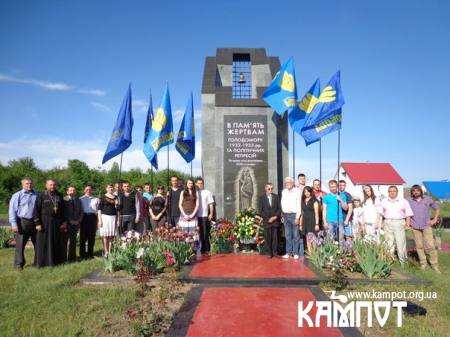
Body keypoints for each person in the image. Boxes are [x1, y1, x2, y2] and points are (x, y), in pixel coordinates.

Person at [33, 179, 67, 267]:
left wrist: (64, 222)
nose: (52, 187)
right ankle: (43, 263)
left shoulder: (59, 195)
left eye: (54, 185)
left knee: (56, 242)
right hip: (44, 223)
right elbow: (36, 210)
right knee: (44, 243)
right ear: (46, 185)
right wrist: (37, 223)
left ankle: (56, 261)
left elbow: (63, 210)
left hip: (57, 223)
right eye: (50, 185)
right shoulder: (41, 195)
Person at [407, 185, 440, 273]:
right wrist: (407, 222)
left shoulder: (427, 199)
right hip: (415, 227)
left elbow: (437, 208)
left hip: (426, 226)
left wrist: (435, 219)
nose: (415, 192)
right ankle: (423, 263)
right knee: (419, 246)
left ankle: (434, 265)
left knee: (430, 246)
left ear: (421, 191)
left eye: (417, 190)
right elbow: (404, 211)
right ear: (412, 192)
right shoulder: (409, 200)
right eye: (413, 191)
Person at [8, 178, 38, 269]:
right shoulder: (17, 195)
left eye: (30, 183)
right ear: (22, 185)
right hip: (22, 222)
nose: (29, 185)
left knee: (38, 244)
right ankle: (18, 264)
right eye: (27, 183)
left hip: (34, 222)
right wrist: (13, 224)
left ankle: (37, 262)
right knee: (20, 245)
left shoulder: (37, 194)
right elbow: (12, 210)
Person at [379, 186, 413, 264]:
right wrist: (381, 223)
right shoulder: (384, 201)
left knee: (400, 242)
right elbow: (381, 213)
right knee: (388, 243)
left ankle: (403, 261)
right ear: (388, 192)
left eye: (394, 191)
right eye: (390, 191)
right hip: (387, 222)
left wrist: (408, 225)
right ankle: (389, 260)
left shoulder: (403, 201)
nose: (392, 192)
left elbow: (408, 213)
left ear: (397, 192)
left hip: (399, 223)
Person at [280, 177, 302, 259]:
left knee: (296, 235)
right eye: (286, 182)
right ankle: (288, 253)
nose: (287, 183)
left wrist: (297, 217)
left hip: (294, 215)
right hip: (286, 215)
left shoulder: (297, 191)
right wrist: (282, 214)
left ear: (292, 183)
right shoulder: (284, 191)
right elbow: (282, 203)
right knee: (287, 235)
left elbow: (299, 204)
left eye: (289, 182)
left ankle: (295, 253)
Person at [258, 183, 281, 258]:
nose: (270, 190)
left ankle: (275, 252)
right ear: (265, 189)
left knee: (275, 238)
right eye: (269, 189)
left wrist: (274, 217)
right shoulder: (261, 198)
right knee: (268, 238)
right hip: (267, 221)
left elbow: (279, 209)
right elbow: (260, 211)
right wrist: (268, 219)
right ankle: (269, 253)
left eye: (271, 188)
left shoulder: (276, 197)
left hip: (275, 221)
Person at [63, 186, 83, 262]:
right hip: (67, 224)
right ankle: (64, 257)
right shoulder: (64, 199)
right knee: (65, 241)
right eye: (70, 190)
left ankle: (72, 257)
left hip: (76, 224)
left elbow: (81, 211)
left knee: (73, 241)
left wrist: (79, 220)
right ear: (67, 192)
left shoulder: (78, 200)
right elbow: (64, 212)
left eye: (74, 190)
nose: (72, 191)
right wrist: (70, 220)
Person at [98, 184, 118, 256]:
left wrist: (117, 204)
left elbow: (117, 209)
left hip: (113, 217)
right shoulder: (103, 197)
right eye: (109, 187)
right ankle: (105, 251)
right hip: (105, 217)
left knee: (111, 235)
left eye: (112, 187)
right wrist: (100, 220)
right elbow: (99, 209)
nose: (111, 189)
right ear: (106, 188)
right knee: (105, 235)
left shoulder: (116, 197)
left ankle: (110, 251)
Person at [195, 178, 214, 254]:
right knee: (198, 234)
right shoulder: (195, 192)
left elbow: (211, 204)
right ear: (196, 184)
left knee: (205, 233)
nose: (200, 185)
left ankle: (207, 249)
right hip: (195, 216)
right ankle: (201, 248)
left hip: (204, 216)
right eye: (198, 183)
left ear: (203, 184)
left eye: (201, 183)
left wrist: (211, 213)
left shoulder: (207, 192)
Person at [79, 184, 99, 259]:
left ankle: (90, 253)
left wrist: (98, 221)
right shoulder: (80, 199)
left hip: (93, 217)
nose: (88, 191)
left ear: (92, 190)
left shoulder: (96, 199)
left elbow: (98, 211)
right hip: (83, 217)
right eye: (87, 189)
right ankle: (82, 254)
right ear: (84, 190)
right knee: (83, 237)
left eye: (90, 189)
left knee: (91, 237)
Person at [300, 186, 320, 253]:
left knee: (313, 238)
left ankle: (315, 254)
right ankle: (310, 253)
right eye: (305, 191)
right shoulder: (303, 200)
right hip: (305, 221)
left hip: (312, 221)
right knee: (307, 238)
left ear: (311, 192)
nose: (306, 193)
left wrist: (317, 224)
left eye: (308, 191)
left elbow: (316, 213)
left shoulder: (314, 200)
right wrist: (300, 224)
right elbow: (302, 213)